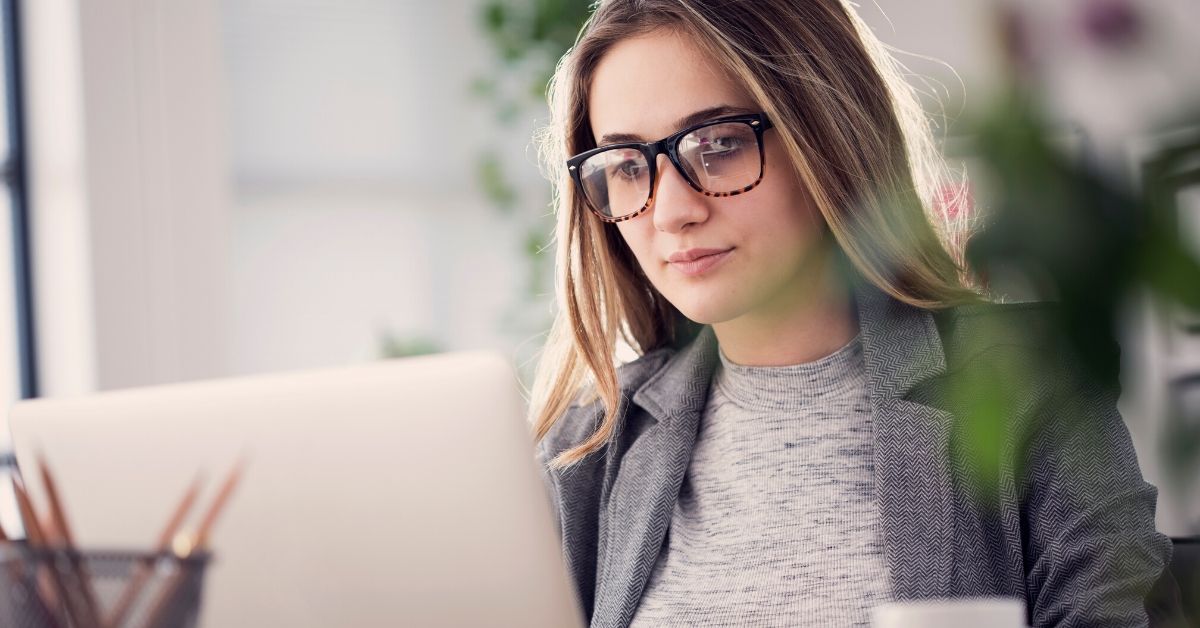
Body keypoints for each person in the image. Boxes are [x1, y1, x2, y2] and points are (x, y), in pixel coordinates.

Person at [528, 0, 1171, 626]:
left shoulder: (1026, 386)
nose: (671, 211)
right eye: (624, 165)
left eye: (718, 144)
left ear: (826, 137)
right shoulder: (592, 444)